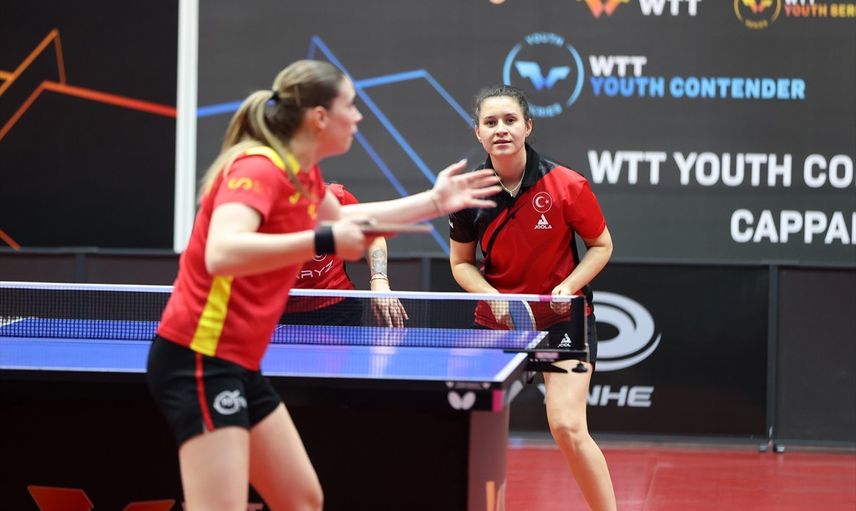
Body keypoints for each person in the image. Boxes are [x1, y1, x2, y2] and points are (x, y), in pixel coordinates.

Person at [146, 59, 500, 511]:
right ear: (319, 117)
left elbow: (350, 216)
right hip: (200, 358)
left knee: (302, 500)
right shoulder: (258, 169)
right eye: (350, 106)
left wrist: (435, 201)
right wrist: (323, 240)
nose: (358, 116)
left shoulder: (303, 176)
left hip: (238, 362)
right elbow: (222, 250)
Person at [448, 85, 617, 511]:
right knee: (470, 432)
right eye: (490, 122)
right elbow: (461, 263)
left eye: (509, 120)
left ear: (527, 126)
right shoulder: (468, 195)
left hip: (561, 321)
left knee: (567, 427)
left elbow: (601, 245)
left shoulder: (566, 184)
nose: (500, 129)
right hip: (497, 322)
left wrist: (569, 286)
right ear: (478, 133)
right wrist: (492, 297)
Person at [281, 182, 408, 327]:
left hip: (335, 306)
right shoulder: (262, 210)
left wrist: (380, 281)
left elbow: (373, 234)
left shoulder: (334, 198)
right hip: (277, 309)